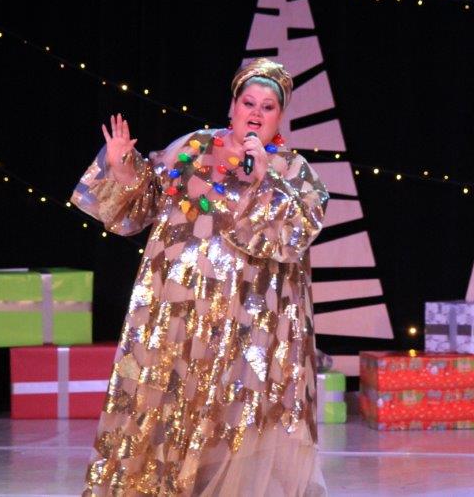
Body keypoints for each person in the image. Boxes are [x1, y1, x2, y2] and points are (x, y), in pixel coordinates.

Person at [71, 58, 329, 496]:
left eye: (268, 107)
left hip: (248, 329)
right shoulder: (192, 148)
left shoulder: (292, 170)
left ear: (279, 117)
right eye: (248, 102)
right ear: (232, 106)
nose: (256, 113)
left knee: (235, 418)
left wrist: (263, 180)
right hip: (178, 316)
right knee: (169, 406)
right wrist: (122, 167)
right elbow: (145, 201)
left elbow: (293, 235)